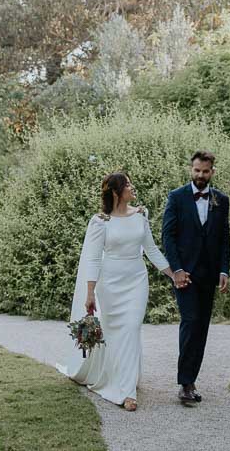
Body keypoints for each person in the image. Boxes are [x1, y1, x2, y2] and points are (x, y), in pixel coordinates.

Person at [58, 172, 179, 411]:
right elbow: (93, 258)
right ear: (115, 192)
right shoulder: (100, 221)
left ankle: (127, 392)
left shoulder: (141, 214)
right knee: (115, 335)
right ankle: (120, 380)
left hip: (136, 280)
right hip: (110, 284)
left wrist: (173, 274)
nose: (132, 188)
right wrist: (90, 293)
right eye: (127, 185)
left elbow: (151, 249)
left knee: (132, 328)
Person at [161, 151, 230, 405]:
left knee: (201, 326)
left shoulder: (220, 200)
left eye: (205, 171)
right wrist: (176, 269)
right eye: (197, 171)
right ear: (191, 170)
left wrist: (224, 270)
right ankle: (185, 383)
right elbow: (168, 236)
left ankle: (190, 379)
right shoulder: (176, 197)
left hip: (209, 275)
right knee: (190, 321)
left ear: (212, 171)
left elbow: (224, 239)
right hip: (185, 275)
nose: (200, 175)